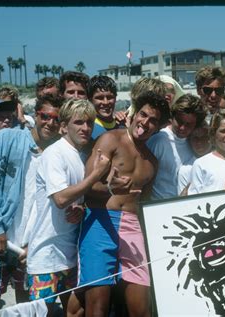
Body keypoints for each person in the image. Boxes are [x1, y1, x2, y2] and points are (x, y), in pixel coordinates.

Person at [67, 91, 170, 317]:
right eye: (143, 114)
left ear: (159, 127)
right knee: (97, 306)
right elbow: (88, 185)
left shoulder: (151, 161)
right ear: (134, 113)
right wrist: (112, 188)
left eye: (153, 120)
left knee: (142, 307)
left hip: (132, 226)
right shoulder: (110, 139)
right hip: (100, 220)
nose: (145, 122)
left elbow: (146, 205)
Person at [0, 95, 64, 316]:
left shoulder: (58, 154)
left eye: (56, 118)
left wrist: (36, 243)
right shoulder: (7, 138)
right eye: (45, 116)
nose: (50, 122)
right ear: (35, 115)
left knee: (28, 305)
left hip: (30, 244)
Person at [26, 98, 110, 316]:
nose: (85, 128)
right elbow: (61, 199)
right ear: (64, 126)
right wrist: (96, 176)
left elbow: (75, 198)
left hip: (71, 254)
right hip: (46, 255)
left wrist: (81, 209)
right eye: (78, 122)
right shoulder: (54, 153)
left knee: (76, 311)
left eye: (89, 123)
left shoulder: (82, 155)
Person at [147, 93, 207, 200]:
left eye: (189, 124)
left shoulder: (194, 142)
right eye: (179, 121)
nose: (183, 128)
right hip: (158, 206)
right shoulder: (159, 140)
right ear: (172, 117)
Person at [177, 120, 212, 195]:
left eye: (204, 137)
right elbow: (182, 201)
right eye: (195, 138)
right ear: (189, 141)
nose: (199, 142)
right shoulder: (185, 170)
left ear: (211, 139)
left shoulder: (220, 161)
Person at [88, 75, 122, 140]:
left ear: (115, 98)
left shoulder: (122, 126)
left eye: (109, 97)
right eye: (100, 98)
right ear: (90, 100)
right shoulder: (87, 129)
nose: (105, 102)